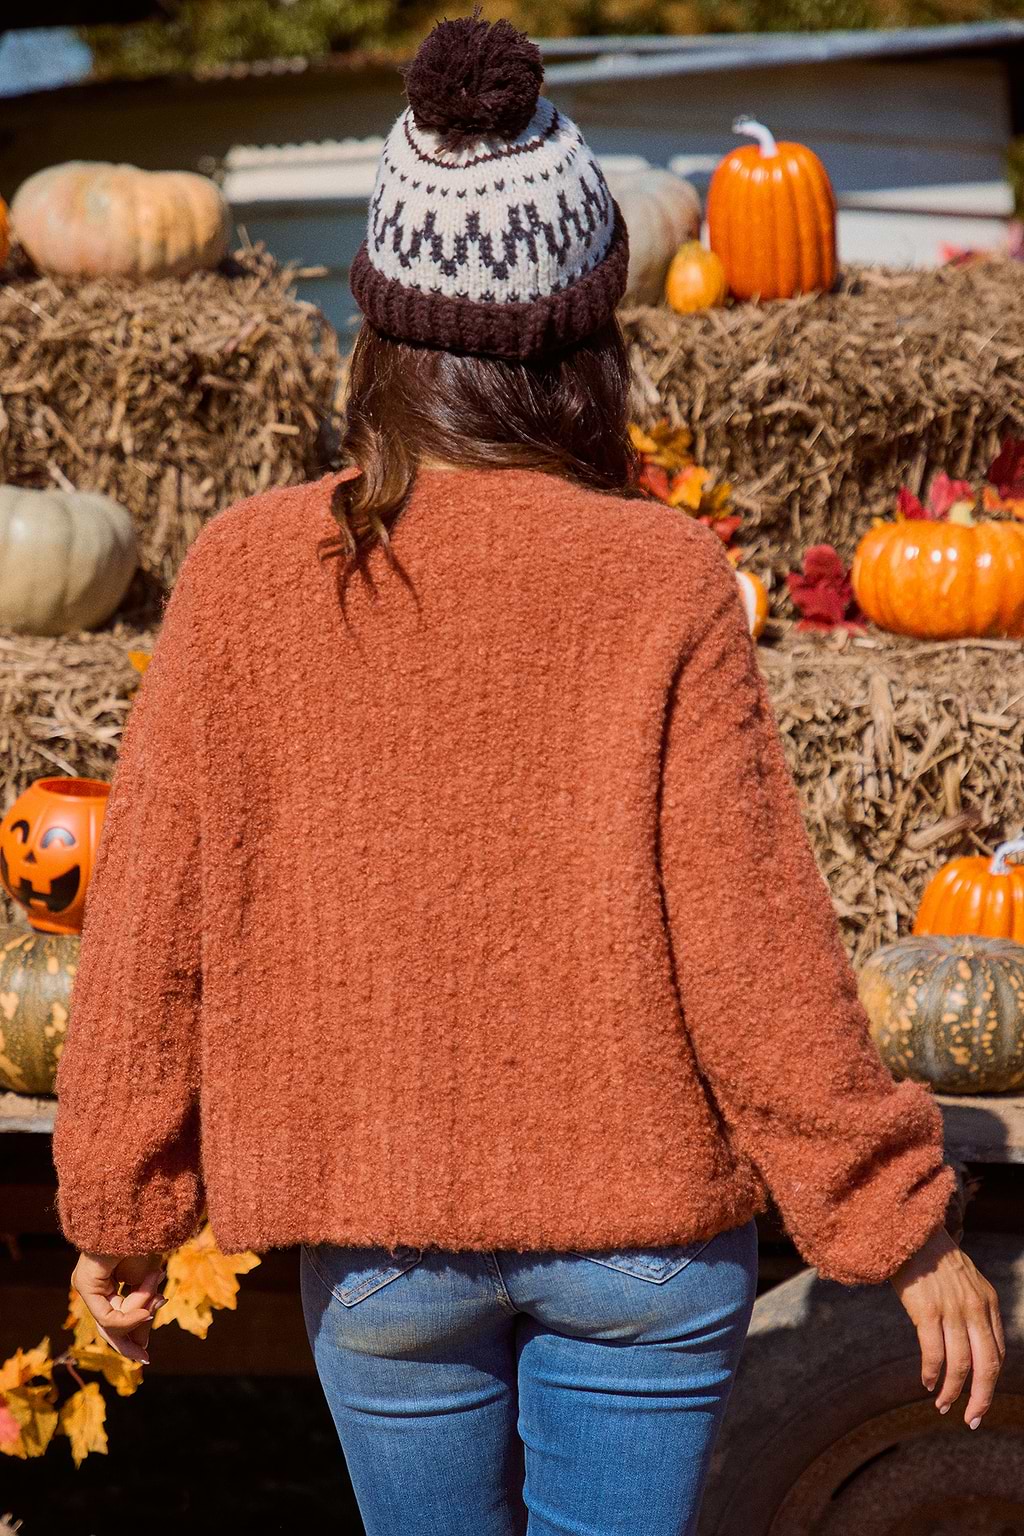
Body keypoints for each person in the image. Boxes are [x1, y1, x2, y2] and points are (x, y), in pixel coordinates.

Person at [53, 14, 1004, 1536]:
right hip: (642, 1239)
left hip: (383, 1241)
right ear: (586, 335)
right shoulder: (661, 574)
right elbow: (754, 951)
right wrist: (898, 1222)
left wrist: (121, 1206)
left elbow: (148, 927)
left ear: (379, 323)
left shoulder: (246, 573)